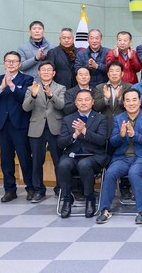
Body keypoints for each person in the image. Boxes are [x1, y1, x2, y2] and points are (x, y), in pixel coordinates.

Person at [97, 89, 142, 225]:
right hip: (122, 157)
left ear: (140, 102)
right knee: (110, 173)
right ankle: (105, 210)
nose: (131, 103)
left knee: (134, 173)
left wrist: (134, 135)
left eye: (134, 100)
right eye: (128, 100)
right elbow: (113, 142)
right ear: (123, 103)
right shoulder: (118, 119)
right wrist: (121, 135)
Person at [0, 51, 34, 202]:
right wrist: (1, 87)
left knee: (24, 158)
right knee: (6, 160)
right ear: (4, 63)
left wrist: (12, 86)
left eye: (14, 61)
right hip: (3, 125)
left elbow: (25, 98)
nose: (11, 63)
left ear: (20, 64)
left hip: (19, 124)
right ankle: (10, 190)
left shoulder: (27, 79)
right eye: (8, 61)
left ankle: (31, 188)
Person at [56, 90, 109, 218]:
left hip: (93, 156)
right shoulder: (68, 119)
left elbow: (102, 140)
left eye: (87, 100)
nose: (83, 102)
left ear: (92, 102)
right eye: (80, 100)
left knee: (84, 165)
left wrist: (85, 131)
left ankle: (89, 198)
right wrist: (74, 135)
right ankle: (67, 198)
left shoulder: (100, 118)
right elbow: (60, 143)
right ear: (75, 103)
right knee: (63, 165)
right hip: (73, 155)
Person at [22, 60, 66, 202]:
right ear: (39, 73)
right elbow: (26, 108)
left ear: (54, 73)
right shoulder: (31, 88)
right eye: (43, 70)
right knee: (36, 161)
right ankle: (39, 190)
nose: (46, 72)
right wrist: (34, 96)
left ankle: (60, 188)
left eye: (49, 70)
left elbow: (61, 106)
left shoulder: (60, 88)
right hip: (37, 128)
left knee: (58, 161)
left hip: (55, 128)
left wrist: (51, 95)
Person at [93, 61, 131, 135]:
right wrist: (106, 99)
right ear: (108, 74)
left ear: (122, 74)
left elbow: (131, 106)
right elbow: (96, 107)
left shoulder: (129, 87)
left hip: (123, 124)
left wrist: (120, 98)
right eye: (111, 71)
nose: (114, 73)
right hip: (105, 125)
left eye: (117, 71)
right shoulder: (99, 87)